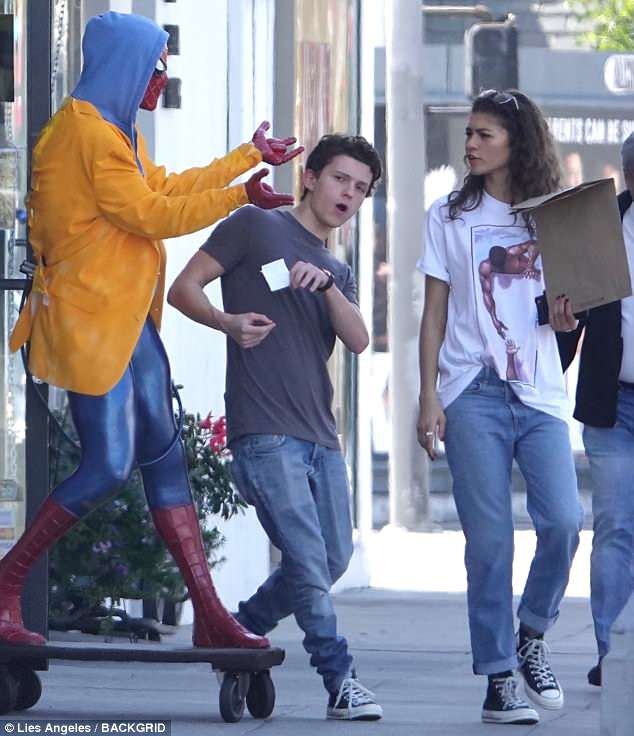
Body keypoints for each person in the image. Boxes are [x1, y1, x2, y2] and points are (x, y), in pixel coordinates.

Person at [0, 11, 302, 650]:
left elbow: (165, 187)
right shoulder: (83, 134)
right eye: (157, 65)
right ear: (126, 65)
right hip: (92, 325)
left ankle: (212, 617)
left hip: (128, 323)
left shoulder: (115, 131)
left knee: (165, 458)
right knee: (109, 466)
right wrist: (240, 197)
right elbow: (150, 215)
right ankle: (5, 585)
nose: (162, 79)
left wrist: (249, 159)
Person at [167, 134, 384, 720]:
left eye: (361, 188)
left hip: (320, 436)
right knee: (310, 559)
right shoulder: (254, 226)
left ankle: (238, 629)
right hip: (263, 431)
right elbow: (182, 288)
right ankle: (339, 678)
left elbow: (360, 340)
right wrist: (227, 322)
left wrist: (330, 285)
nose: (349, 194)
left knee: (332, 558)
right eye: (341, 179)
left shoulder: (337, 267)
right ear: (310, 177)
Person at [416, 89, 584, 725]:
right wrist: (428, 393)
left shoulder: (554, 216)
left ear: (518, 141)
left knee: (565, 523)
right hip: (472, 393)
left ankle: (531, 633)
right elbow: (433, 312)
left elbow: (568, 310)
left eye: (485, 134)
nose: (471, 144)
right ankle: (497, 678)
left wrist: (568, 321)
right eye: (469, 134)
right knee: (488, 544)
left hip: (539, 392)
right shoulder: (449, 215)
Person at [557, 132, 634, 688]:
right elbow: (572, 314)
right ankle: (612, 654)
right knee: (614, 527)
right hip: (614, 407)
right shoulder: (600, 230)